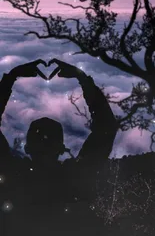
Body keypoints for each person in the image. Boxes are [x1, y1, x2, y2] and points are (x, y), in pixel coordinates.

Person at [0, 58, 119, 235]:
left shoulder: (12, 175)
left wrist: (11, 78)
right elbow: (106, 127)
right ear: (61, 148)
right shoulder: (78, 176)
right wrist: (83, 80)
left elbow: (106, 128)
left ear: (27, 148)